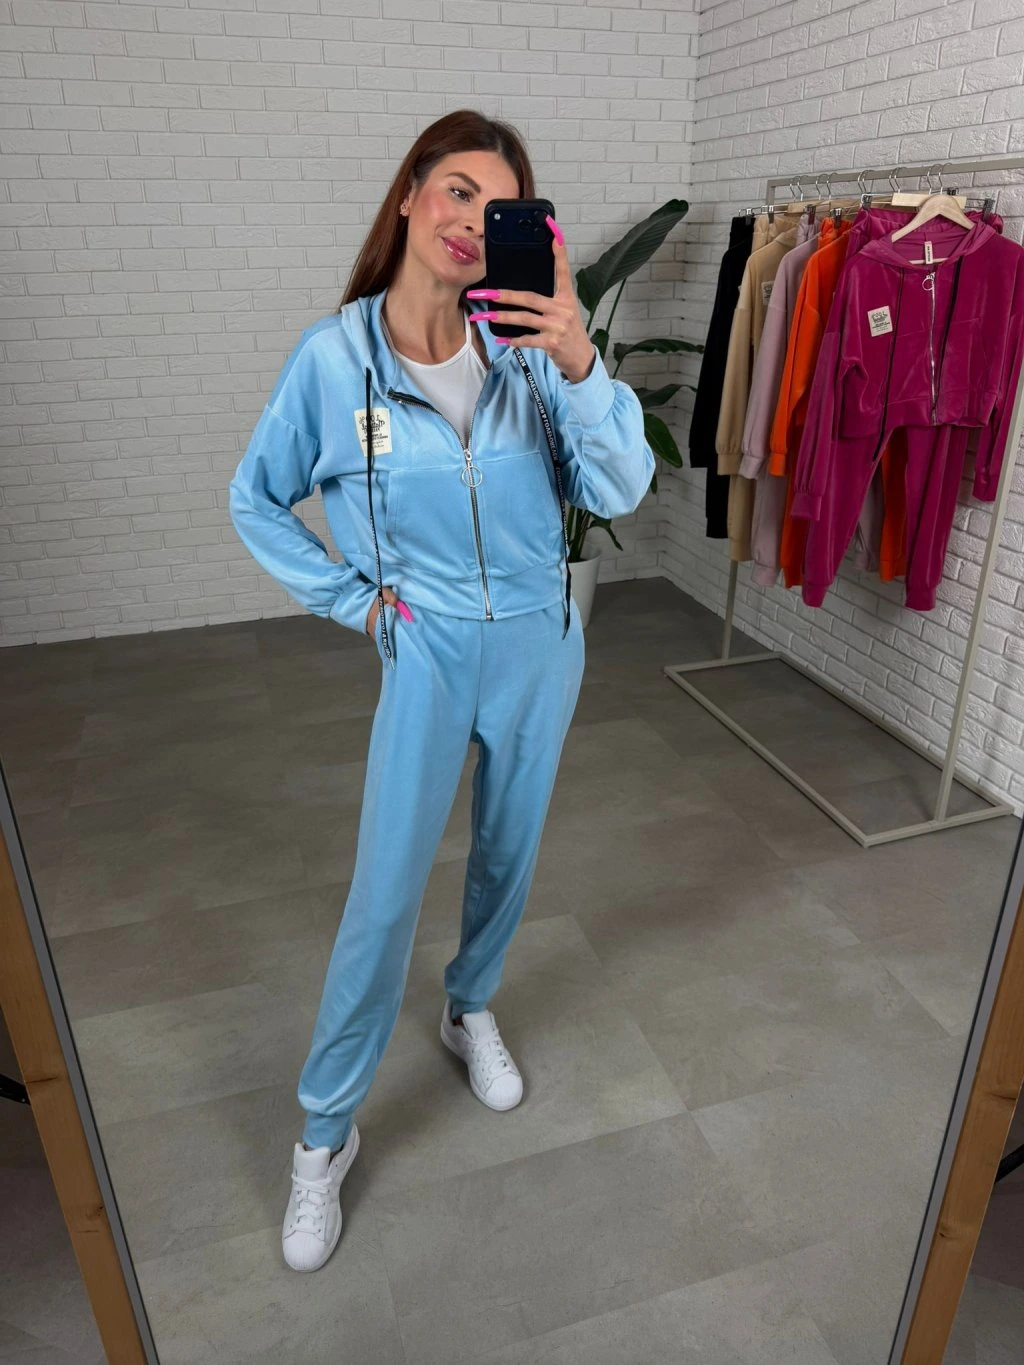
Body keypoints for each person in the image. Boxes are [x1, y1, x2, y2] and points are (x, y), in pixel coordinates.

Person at [228, 109, 654, 1273]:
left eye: (500, 206)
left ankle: (470, 1009)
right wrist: (356, 601)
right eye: (458, 190)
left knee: (508, 855)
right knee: (384, 895)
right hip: (425, 651)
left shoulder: (527, 352)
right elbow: (255, 496)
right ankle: (325, 1134)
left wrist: (577, 358)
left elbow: (618, 488)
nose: (472, 221)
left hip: (539, 646)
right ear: (412, 193)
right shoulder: (334, 361)